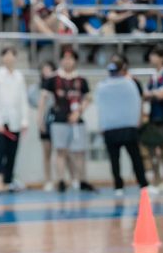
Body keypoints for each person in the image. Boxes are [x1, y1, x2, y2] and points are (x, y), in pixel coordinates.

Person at [39, 48, 97, 193]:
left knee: (80, 152)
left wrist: (79, 112)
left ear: (75, 61)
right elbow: (43, 99)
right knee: (60, 150)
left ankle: (82, 180)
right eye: (65, 58)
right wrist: (40, 120)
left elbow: (88, 98)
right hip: (59, 120)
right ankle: (61, 180)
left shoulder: (81, 80)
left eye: (70, 59)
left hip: (77, 120)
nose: (67, 61)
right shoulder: (53, 79)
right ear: (60, 61)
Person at [95, 54, 150, 196]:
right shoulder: (104, 86)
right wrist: (102, 124)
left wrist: (137, 120)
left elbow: (137, 103)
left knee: (135, 157)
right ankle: (119, 185)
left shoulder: (130, 83)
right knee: (115, 159)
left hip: (126, 126)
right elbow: (101, 106)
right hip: (114, 126)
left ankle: (143, 184)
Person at [0, 46, 29, 193]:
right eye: (6, 55)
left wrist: (24, 120)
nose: (9, 58)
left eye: (12, 55)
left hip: (15, 121)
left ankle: (8, 182)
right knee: (1, 151)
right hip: (2, 121)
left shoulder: (19, 77)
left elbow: (23, 99)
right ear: (2, 57)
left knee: (12, 153)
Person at [141, 45, 163, 193]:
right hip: (154, 116)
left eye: (154, 55)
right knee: (152, 149)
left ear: (162, 58)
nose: (151, 58)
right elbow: (145, 95)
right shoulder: (153, 75)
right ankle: (156, 179)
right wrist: (152, 94)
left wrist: (152, 94)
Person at [37, 60, 56, 191]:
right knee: (47, 153)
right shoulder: (38, 89)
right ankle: (48, 180)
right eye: (44, 69)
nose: (47, 72)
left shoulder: (59, 85)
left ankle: (65, 179)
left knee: (63, 152)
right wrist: (40, 121)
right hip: (46, 122)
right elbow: (38, 106)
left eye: (49, 69)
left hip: (58, 121)